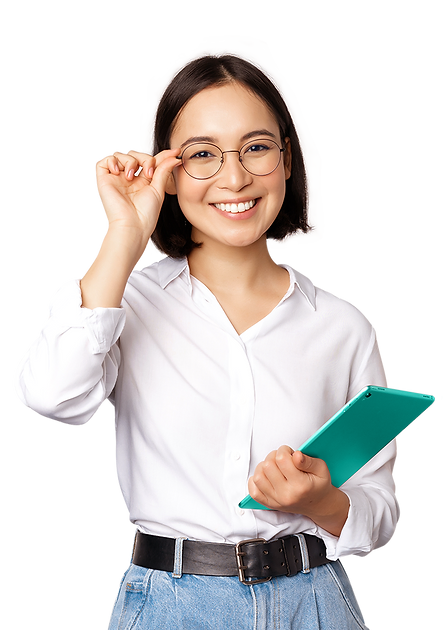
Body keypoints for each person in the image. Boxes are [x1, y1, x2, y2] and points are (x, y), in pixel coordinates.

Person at [14, 54, 400, 629]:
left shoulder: (343, 326)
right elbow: (50, 395)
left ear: (286, 160)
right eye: (201, 155)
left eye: (257, 147)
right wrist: (123, 239)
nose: (235, 177)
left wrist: (318, 501)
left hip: (316, 603)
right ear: (167, 173)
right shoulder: (127, 301)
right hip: (170, 607)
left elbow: (384, 520)